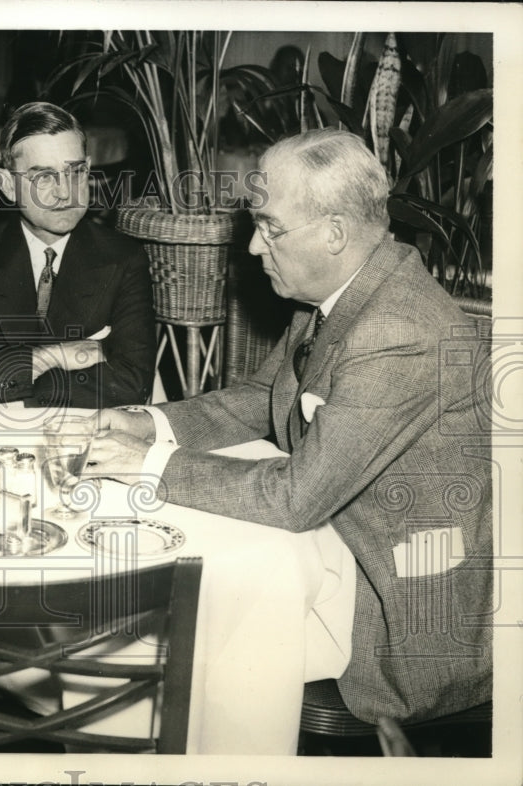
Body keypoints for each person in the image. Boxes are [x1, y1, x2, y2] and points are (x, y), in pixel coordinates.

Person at [86, 127, 492, 725]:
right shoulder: (343, 294)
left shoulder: (395, 331)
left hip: (405, 618)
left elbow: (299, 498)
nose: (253, 248)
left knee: (186, 642)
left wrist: (147, 465)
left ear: (334, 233)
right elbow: (261, 398)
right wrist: (149, 423)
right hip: (347, 548)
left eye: (270, 227)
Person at [0, 101, 155, 409]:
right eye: (43, 176)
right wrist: (55, 356)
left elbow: (131, 384)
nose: (65, 192)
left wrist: (1, 363)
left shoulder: (124, 259)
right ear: (7, 185)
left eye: (75, 172)